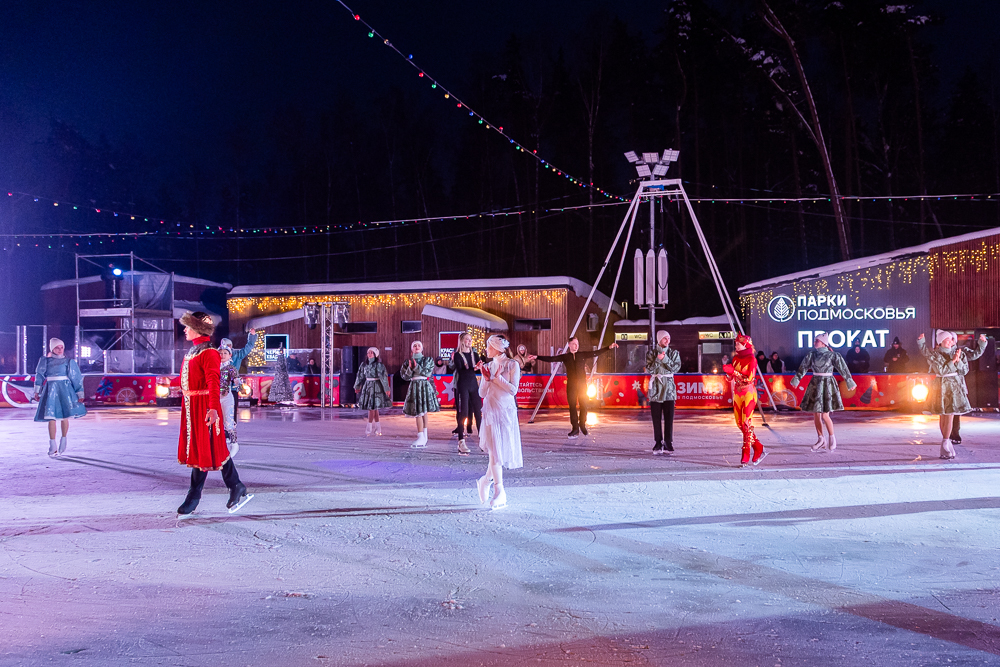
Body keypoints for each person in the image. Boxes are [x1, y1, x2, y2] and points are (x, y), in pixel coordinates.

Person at [176, 311, 252, 517]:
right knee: (202, 450)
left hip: (204, 406)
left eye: (188, 326)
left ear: (197, 328)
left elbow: (212, 382)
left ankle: (197, 496)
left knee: (211, 448)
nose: (184, 330)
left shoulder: (209, 353)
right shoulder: (193, 352)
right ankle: (233, 486)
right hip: (192, 406)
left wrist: (211, 408)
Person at [526, 337, 619, 438]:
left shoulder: (582, 355)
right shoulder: (566, 357)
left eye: (577, 343)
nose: (576, 345)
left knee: (584, 404)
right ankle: (575, 428)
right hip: (571, 385)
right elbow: (552, 358)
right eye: (574, 344)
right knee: (572, 406)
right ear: (569, 345)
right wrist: (537, 357)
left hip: (582, 385)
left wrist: (609, 347)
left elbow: (596, 353)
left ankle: (582, 424)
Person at [917, 331, 987, 459]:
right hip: (941, 389)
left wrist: (981, 344)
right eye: (947, 339)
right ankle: (945, 442)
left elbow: (964, 370)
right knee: (943, 416)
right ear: (940, 342)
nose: (950, 341)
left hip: (955, 389)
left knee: (950, 416)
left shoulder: (960, 353)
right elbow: (942, 370)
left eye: (952, 339)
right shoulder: (936, 355)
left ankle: (946, 442)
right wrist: (953, 361)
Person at [475, 335, 522, 510]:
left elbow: (513, 390)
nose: (486, 350)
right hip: (490, 412)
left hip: (506, 412)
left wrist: (497, 378)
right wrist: (487, 379)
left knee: (499, 451)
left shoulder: (512, 365)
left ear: (497, 347)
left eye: (489, 346)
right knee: (495, 452)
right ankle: (499, 490)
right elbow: (481, 393)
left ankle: (486, 480)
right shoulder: (487, 366)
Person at [791, 332, 857, 452]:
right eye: (815, 340)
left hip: (827, 383)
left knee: (825, 414)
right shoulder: (811, 354)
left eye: (816, 341)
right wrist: (797, 379)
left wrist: (849, 381)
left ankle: (832, 437)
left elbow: (843, 368)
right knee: (816, 413)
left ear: (823, 343)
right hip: (816, 383)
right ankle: (821, 439)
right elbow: (804, 367)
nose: (814, 342)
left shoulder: (833, 355)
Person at [32, 337, 86, 457]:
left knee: (64, 416)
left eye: (61, 347)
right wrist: (37, 391)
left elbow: (76, 378)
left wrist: (79, 393)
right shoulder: (45, 361)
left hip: (65, 390)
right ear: (52, 348)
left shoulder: (69, 362)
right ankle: (52, 444)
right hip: (50, 389)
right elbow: (39, 375)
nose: (60, 349)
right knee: (51, 417)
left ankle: (64, 439)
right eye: (57, 347)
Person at [723, 333, 767, 467]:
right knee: (739, 423)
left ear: (745, 345)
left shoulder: (752, 359)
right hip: (737, 393)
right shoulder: (736, 358)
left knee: (746, 423)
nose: (736, 345)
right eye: (736, 343)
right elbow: (731, 377)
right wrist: (729, 374)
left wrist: (733, 372)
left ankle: (746, 452)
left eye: (738, 343)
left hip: (748, 393)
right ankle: (758, 446)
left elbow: (749, 378)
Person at [644, 330, 681, 455]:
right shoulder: (651, 353)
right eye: (665, 338)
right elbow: (649, 369)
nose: (667, 341)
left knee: (669, 417)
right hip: (656, 390)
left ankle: (668, 442)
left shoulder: (673, 353)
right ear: (659, 339)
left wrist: (665, 359)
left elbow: (676, 367)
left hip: (669, 390)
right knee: (656, 417)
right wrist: (658, 360)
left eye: (668, 338)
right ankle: (658, 442)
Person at [401, 340, 440, 448]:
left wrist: (415, 367)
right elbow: (404, 376)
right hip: (414, 386)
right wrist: (410, 368)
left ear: (422, 348)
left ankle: (423, 435)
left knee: (422, 411)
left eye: (418, 345)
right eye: (414, 345)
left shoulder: (428, 360)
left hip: (423, 385)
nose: (416, 347)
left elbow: (427, 372)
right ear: (411, 349)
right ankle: (422, 435)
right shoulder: (406, 362)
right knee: (418, 411)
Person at [448, 333, 482, 455]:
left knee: (478, 412)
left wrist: (481, 367)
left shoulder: (475, 354)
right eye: (467, 339)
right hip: (462, 385)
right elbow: (461, 370)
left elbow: (481, 365)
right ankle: (461, 441)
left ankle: (483, 439)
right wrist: (474, 368)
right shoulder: (457, 355)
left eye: (470, 339)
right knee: (463, 413)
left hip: (473, 384)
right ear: (462, 341)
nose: (469, 341)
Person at [220, 328, 258, 424]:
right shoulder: (217, 356)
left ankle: (230, 431)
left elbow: (248, 347)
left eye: (229, 346)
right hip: (219, 390)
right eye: (225, 347)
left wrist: (252, 336)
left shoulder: (237, 354)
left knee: (231, 410)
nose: (224, 353)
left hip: (232, 389)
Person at [354, 347, 391, 436]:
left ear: (375, 354)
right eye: (368, 352)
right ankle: (378, 428)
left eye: (371, 352)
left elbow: (383, 377)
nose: (369, 354)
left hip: (376, 387)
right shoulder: (364, 365)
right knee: (373, 408)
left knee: (372, 408)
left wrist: (386, 388)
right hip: (368, 386)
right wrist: (357, 385)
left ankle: (369, 427)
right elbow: (359, 376)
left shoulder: (379, 365)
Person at [217, 341, 241, 458]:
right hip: (214, 397)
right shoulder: (214, 366)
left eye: (225, 353)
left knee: (229, 422)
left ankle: (234, 443)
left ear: (230, 355)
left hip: (226, 397)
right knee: (215, 422)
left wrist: (237, 383)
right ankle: (216, 445)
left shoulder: (230, 368)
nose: (222, 355)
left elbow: (236, 378)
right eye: (220, 353)